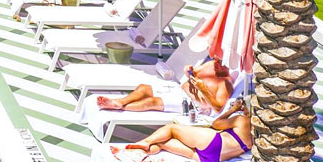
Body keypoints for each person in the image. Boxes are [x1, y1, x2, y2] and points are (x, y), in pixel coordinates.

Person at [126, 98, 252, 162]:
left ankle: (145, 142)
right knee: (162, 143)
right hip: (214, 159)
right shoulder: (262, 135)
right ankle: (137, 154)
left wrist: (233, 110)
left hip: (215, 142)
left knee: (171, 128)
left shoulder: (242, 120)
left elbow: (216, 124)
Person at [96, 59, 234, 114]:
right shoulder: (211, 65)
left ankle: (120, 107)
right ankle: (119, 102)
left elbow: (218, 108)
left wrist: (203, 90)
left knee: (152, 102)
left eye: (220, 61)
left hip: (192, 104)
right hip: (181, 90)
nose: (216, 61)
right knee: (144, 88)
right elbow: (192, 73)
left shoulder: (225, 84)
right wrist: (188, 71)